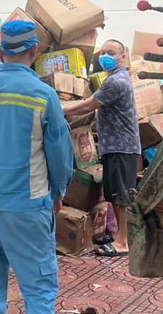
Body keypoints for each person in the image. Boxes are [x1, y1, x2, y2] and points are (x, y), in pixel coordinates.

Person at [0, 20, 74, 314]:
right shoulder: (43, 95)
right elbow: (61, 159)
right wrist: (58, 193)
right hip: (27, 207)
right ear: (35, 50)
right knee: (38, 290)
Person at [62, 39, 140, 256]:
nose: (106, 56)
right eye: (103, 52)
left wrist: (60, 107)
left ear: (122, 57)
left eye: (112, 53)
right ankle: (118, 236)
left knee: (122, 196)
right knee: (114, 193)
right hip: (113, 145)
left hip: (121, 146)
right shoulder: (111, 79)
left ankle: (123, 242)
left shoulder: (117, 82)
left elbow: (88, 105)